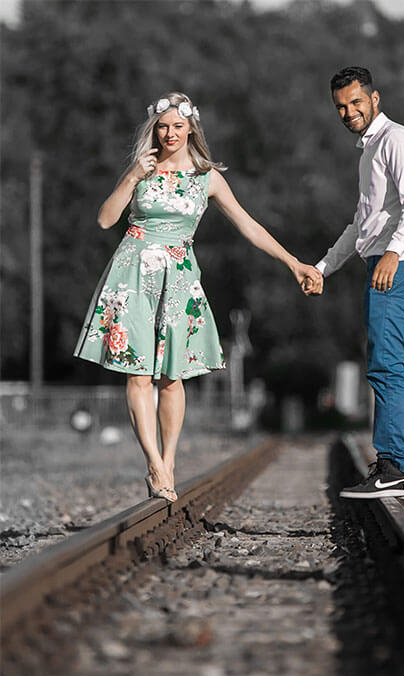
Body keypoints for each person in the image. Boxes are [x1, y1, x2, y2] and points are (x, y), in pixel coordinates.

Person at [74, 91, 323, 501]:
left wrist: (293, 262)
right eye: (162, 127)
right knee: (138, 373)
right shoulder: (143, 169)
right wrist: (132, 176)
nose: (170, 134)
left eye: (177, 126)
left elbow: (250, 226)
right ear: (153, 130)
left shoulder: (207, 177)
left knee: (172, 377)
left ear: (191, 128)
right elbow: (105, 220)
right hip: (133, 272)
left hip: (179, 277)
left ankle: (168, 461)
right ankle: (153, 464)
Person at [308, 66, 404, 500]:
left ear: (374, 98)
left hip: (400, 264)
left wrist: (395, 252)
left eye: (356, 102)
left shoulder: (396, 138)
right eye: (341, 107)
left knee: (388, 366)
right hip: (386, 261)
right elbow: (361, 225)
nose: (349, 112)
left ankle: (397, 466)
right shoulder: (369, 151)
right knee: (388, 362)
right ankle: (399, 466)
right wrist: (323, 267)